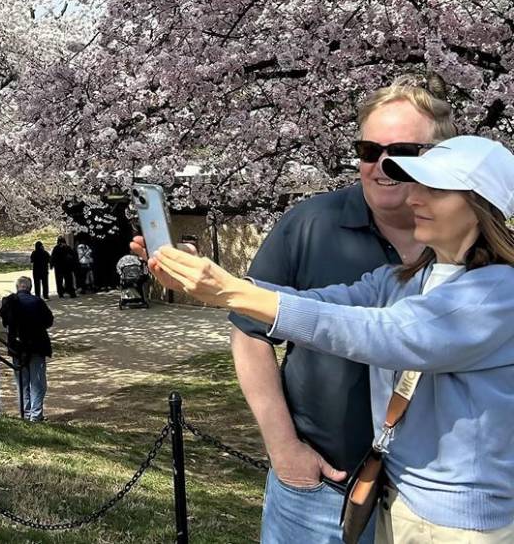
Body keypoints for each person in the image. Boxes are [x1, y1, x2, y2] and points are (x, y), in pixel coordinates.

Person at [145, 135, 514, 543]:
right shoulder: (407, 279)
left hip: (463, 523)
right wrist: (219, 282)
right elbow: (323, 303)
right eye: (417, 185)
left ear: (482, 206)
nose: (415, 199)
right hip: (401, 500)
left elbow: (384, 333)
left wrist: (232, 293)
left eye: (436, 189)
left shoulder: (498, 291)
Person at [227, 77, 455, 544]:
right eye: (369, 150)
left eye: (403, 151)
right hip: (319, 490)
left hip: (435, 506)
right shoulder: (309, 224)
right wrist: (284, 449)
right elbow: (250, 332)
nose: (382, 165)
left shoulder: (473, 247)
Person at [0, 277, 53, 422]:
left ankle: (26, 413)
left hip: (17, 347)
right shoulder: (37, 302)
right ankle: (36, 415)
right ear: (30, 288)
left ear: (17, 287)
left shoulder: (10, 302)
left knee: (22, 382)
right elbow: (49, 321)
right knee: (37, 382)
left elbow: (4, 321)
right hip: (36, 346)